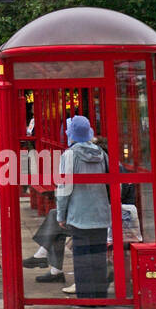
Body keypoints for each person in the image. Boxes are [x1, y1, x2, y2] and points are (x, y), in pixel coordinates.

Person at [55, 115, 111, 298]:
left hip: (79, 215)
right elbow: (111, 182)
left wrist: (61, 215)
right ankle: (100, 294)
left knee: (82, 257)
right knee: (98, 255)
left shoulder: (69, 155)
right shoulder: (101, 154)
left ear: (71, 134)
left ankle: (86, 296)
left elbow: (64, 189)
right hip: (101, 213)